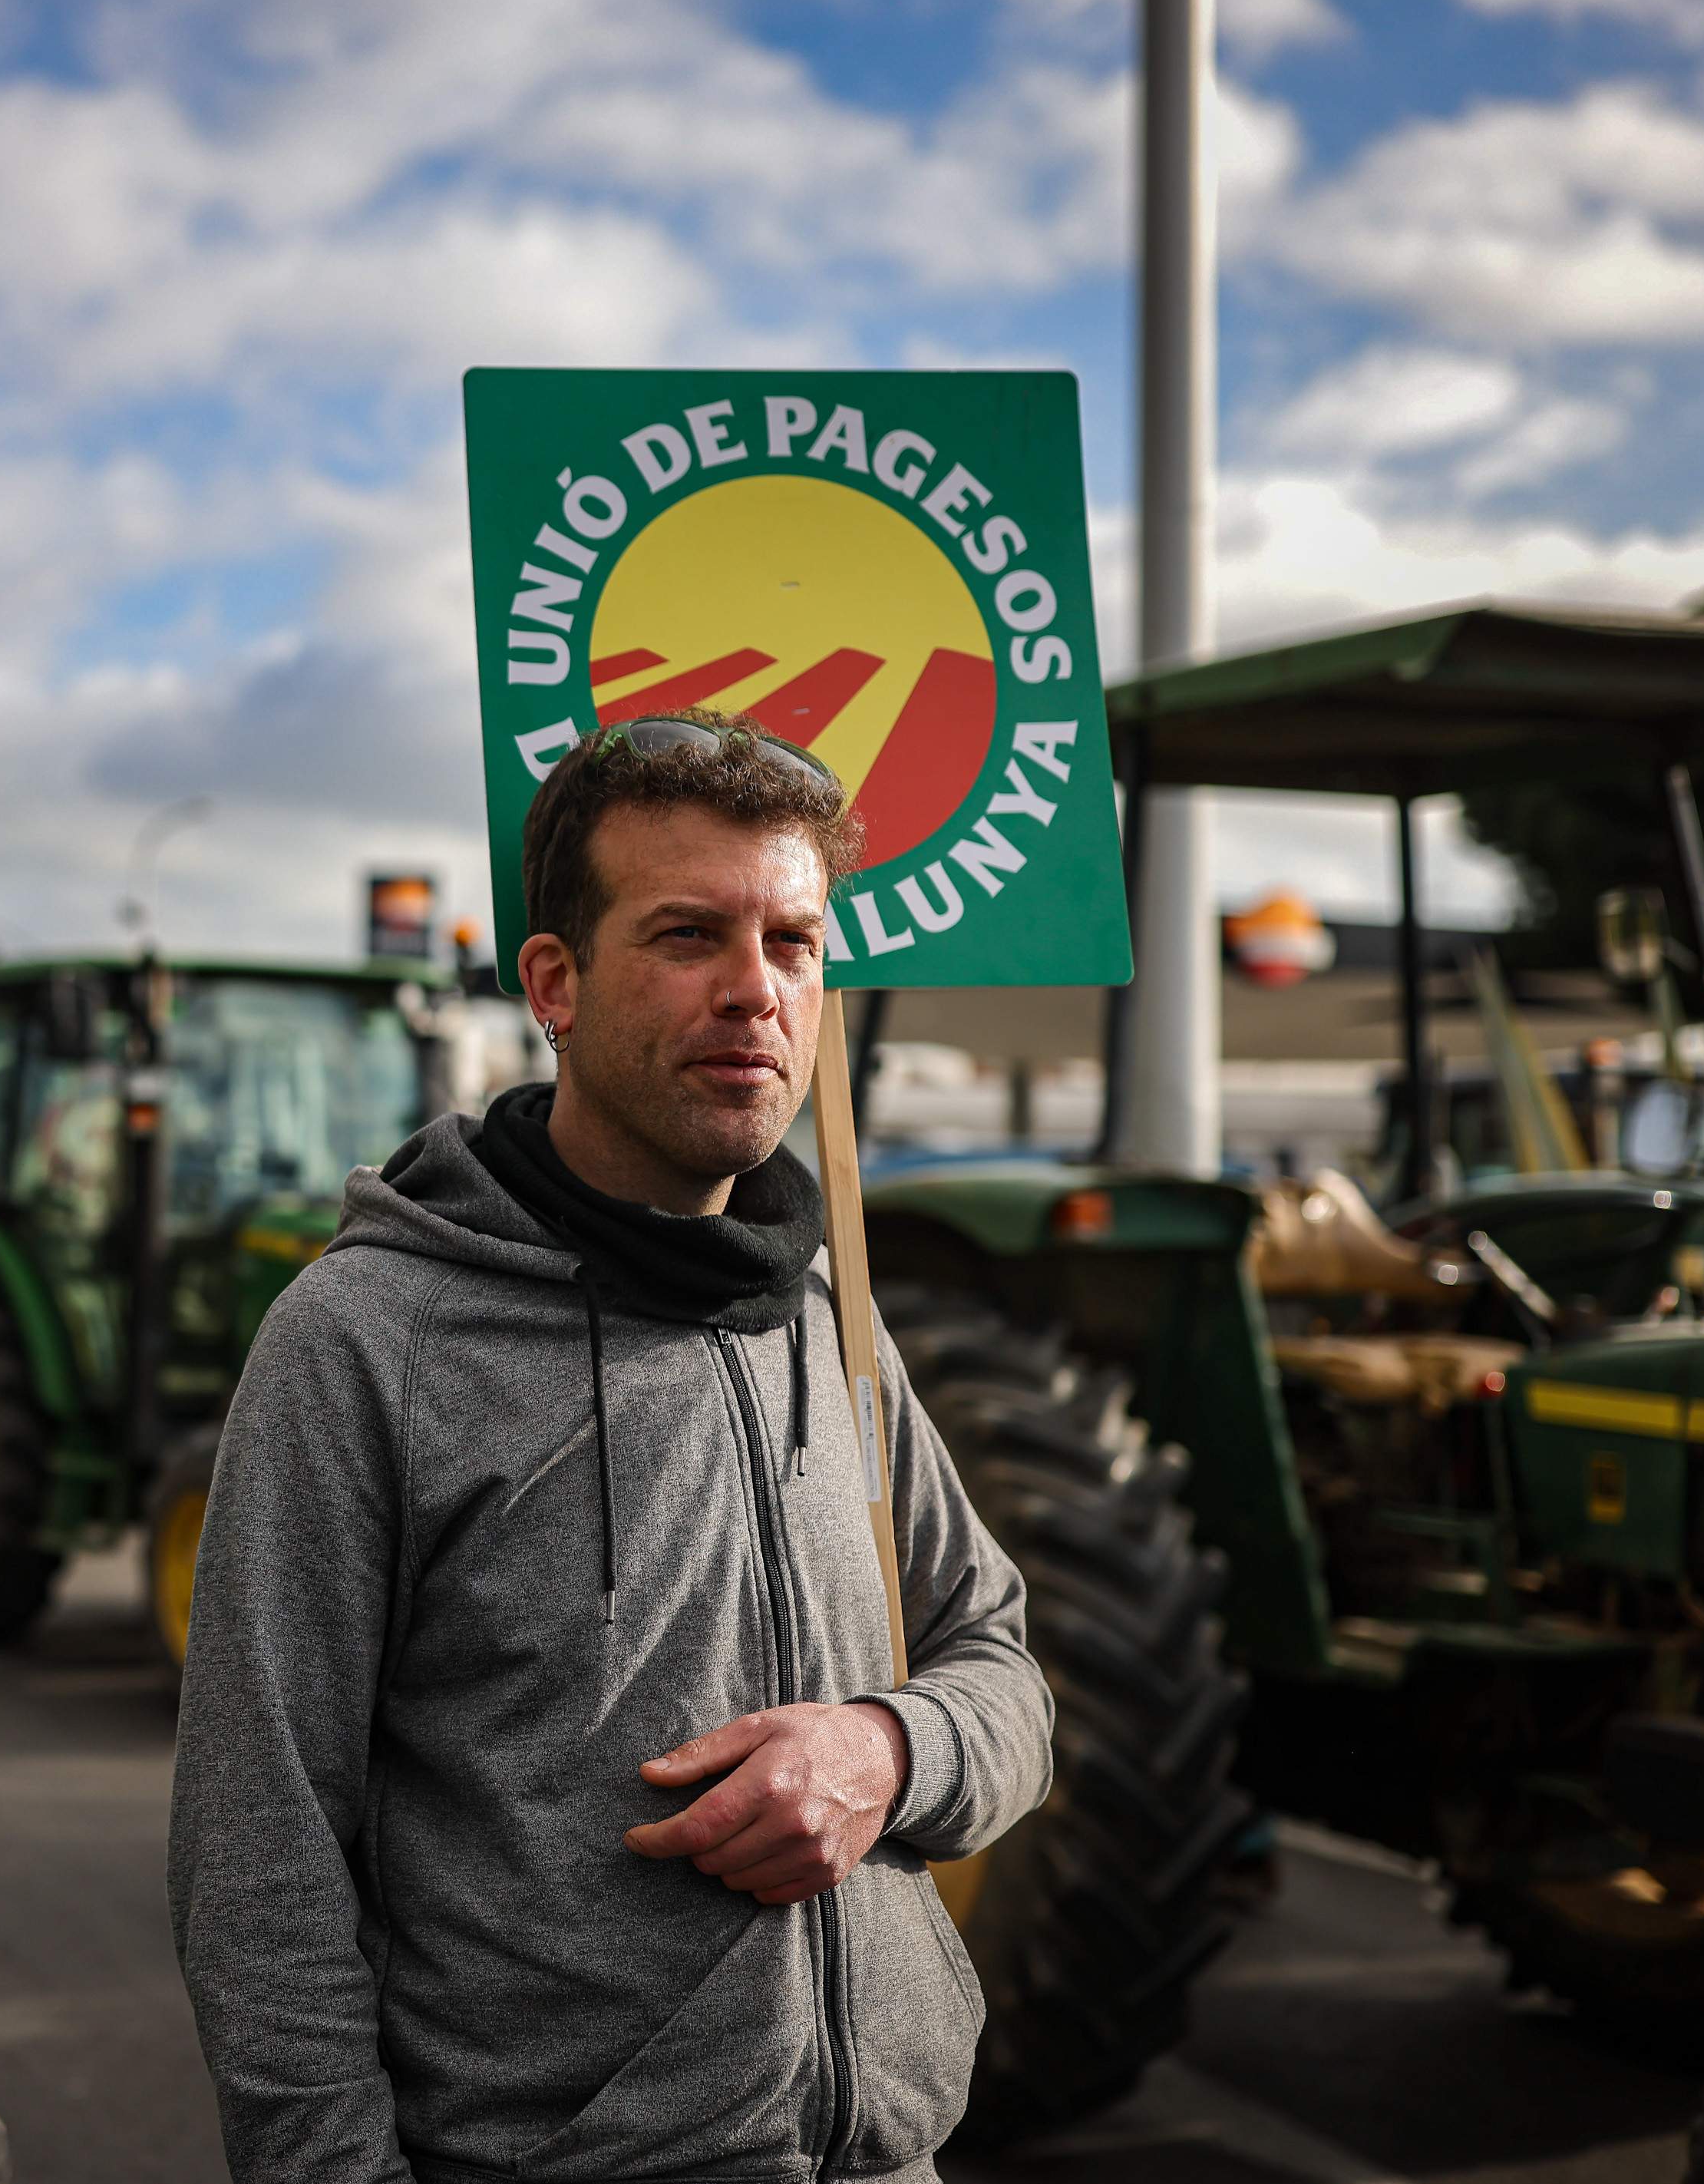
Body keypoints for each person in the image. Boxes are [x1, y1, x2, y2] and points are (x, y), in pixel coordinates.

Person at [166, 708, 1052, 2184]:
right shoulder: (365, 1340)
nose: (754, 992)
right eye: (689, 936)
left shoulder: (833, 1319)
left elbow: (1006, 1669)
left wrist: (889, 1748)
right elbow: (258, 1859)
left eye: (794, 943)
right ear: (554, 983)